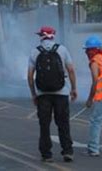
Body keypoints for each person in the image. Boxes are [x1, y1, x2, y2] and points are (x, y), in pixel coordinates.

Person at [27, 26, 77, 163]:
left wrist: (34, 94)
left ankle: (46, 154)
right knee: (63, 123)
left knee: (44, 125)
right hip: (61, 92)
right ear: (52, 36)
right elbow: (71, 70)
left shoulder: (35, 52)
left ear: (41, 36)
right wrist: (73, 89)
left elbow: (30, 76)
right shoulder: (62, 49)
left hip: (43, 93)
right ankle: (67, 151)